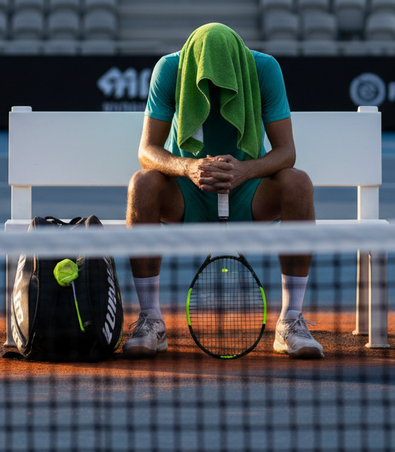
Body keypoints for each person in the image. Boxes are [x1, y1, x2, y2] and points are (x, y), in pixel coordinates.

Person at [123, 23, 323, 360]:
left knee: (298, 182)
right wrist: (189, 167)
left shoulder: (264, 68)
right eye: (207, 83)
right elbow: (147, 151)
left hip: (248, 192)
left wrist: (245, 171)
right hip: (188, 194)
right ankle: (150, 319)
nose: (215, 90)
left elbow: (286, 153)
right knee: (142, 183)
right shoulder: (170, 68)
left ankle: (291, 321)